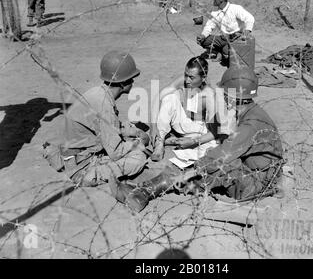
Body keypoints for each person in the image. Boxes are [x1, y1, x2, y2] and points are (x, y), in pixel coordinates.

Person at [112, 66, 284, 212]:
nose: (223, 97)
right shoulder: (250, 112)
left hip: (256, 183)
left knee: (213, 165)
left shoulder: (251, 124)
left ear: (234, 96)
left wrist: (191, 172)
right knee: (210, 161)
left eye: (225, 94)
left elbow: (222, 155)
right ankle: (146, 189)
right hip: (256, 173)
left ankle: (147, 191)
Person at [43, 51, 150, 187]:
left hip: (73, 151)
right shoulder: (104, 104)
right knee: (138, 159)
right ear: (123, 83)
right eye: (131, 78)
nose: (133, 81)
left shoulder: (98, 92)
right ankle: (90, 176)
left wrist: (132, 132)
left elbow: (108, 126)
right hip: (80, 164)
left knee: (129, 133)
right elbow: (116, 152)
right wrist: (137, 144)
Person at [150, 56, 219, 162]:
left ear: (203, 78)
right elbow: (159, 97)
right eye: (186, 75)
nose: (187, 80)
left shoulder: (209, 95)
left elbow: (214, 132)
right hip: (181, 122)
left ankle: (171, 140)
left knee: (214, 145)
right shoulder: (183, 81)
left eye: (192, 77)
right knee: (169, 97)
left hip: (198, 130)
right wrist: (153, 125)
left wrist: (194, 141)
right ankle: (160, 142)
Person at [196, 0, 255, 66]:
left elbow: (250, 18)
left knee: (229, 57)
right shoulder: (215, 13)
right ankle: (220, 52)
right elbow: (209, 27)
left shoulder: (235, 8)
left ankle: (224, 52)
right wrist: (203, 35)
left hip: (235, 39)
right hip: (223, 38)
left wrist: (247, 31)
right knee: (203, 41)